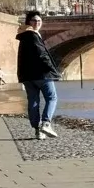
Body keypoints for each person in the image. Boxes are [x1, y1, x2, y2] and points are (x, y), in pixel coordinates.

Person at [16, 11, 60, 139]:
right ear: (29, 22)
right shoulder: (33, 35)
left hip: (27, 76)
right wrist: (53, 70)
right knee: (52, 98)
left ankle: (38, 130)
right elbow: (43, 55)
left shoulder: (23, 36)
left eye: (39, 21)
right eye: (34, 21)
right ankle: (46, 123)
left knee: (33, 101)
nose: (37, 23)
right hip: (42, 74)